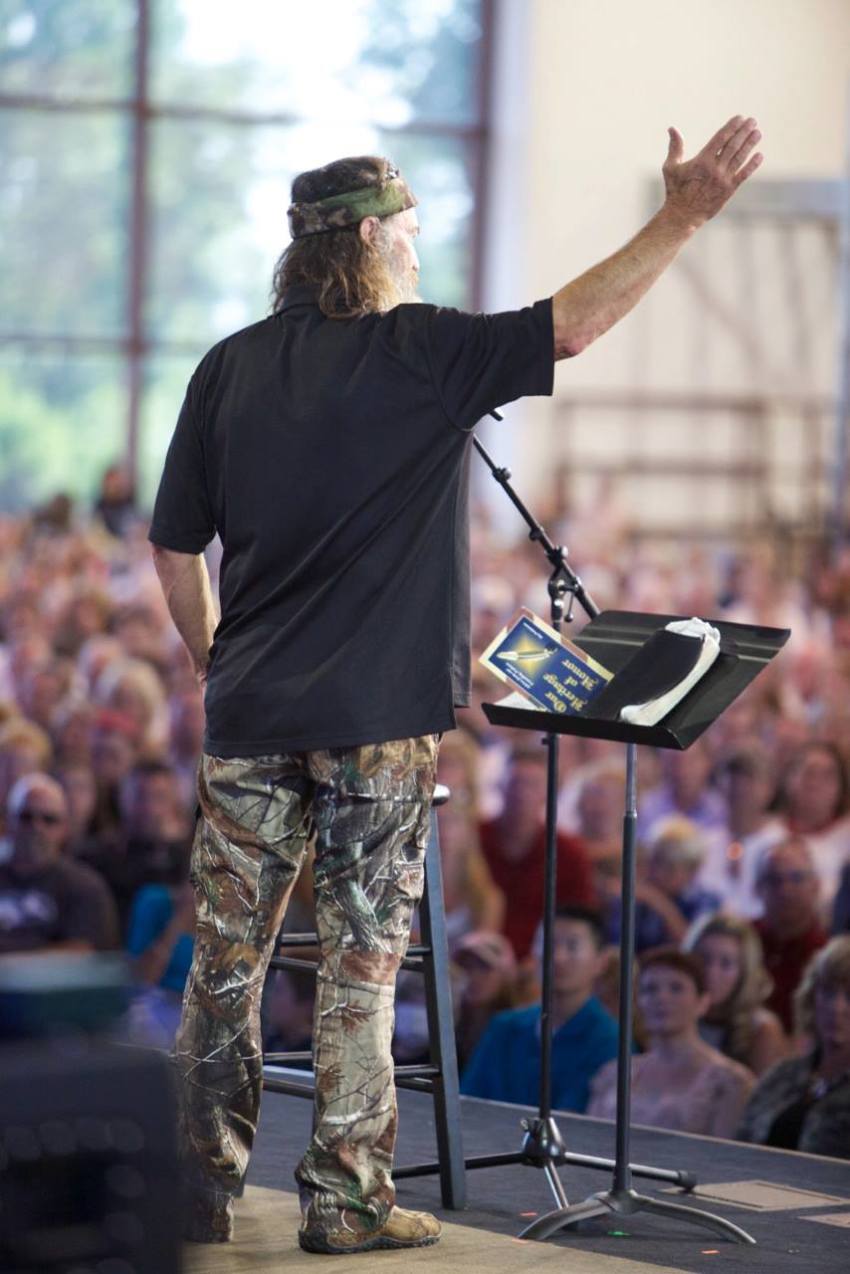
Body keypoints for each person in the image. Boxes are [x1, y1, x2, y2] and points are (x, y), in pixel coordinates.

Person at [148, 123, 764, 1254]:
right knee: (359, 964)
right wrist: (681, 217)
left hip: (249, 717)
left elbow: (174, 543)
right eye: (412, 233)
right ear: (369, 239)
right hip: (377, 724)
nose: (420, 254)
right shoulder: (419, 349)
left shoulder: (226, 366)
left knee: (224, 965)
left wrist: (209, 657)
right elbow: (568, 325)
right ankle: (346, 1200)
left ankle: (192, 1191)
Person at [460, 906, 618, 1112]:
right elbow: (467, 1103)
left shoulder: (610, 1040)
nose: (558, 957)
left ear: (601, 961)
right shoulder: (504, 1027)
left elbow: (577, 1122)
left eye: (572, 946)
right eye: (548, 944)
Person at [587, 948, 754, 1138]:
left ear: (703, 1001)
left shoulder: (729, 1082)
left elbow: (726, 1153)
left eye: (676, 988)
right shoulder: (613, 1075)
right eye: (650, 989)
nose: (661, 998)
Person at [738, 936, 850, 1158]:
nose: (836, 1007)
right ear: (812, 997)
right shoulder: (782, 1075)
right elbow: (738, 1147)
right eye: (827, 992)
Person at [478, 747, 595, 960]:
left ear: (549, 793)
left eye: (532, 785)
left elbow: (580, 921)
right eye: (516, 782)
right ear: (501, 786)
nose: (522, 794)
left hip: (542, 963)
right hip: (475, 957)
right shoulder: (474, 839)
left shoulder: (569, 853)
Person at [0, 773, 118, 956]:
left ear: (64, 828)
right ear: (8, 822)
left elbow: (82, 953)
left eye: (49, 819)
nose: (36, 827)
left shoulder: (86, 886)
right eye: (26, 817)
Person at [683, 912, 786, 1075]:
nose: (711, 973)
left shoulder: (761, 1029)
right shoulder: (673, 1014)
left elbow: (764, 1091)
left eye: (726, 964)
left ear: (744, 971)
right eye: (703, 959)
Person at [697, 741, 786, 918]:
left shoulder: (782, 845)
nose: (740, 787)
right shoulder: (703, 843)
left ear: (770, 788)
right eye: (733, 777)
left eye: (749, 778)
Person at [753, 837, 828, 1033]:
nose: (785, 890)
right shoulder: (739, 942)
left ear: (816, 886)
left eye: (797, 878)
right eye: (774, 880)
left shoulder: (829, 951)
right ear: (757, 888)